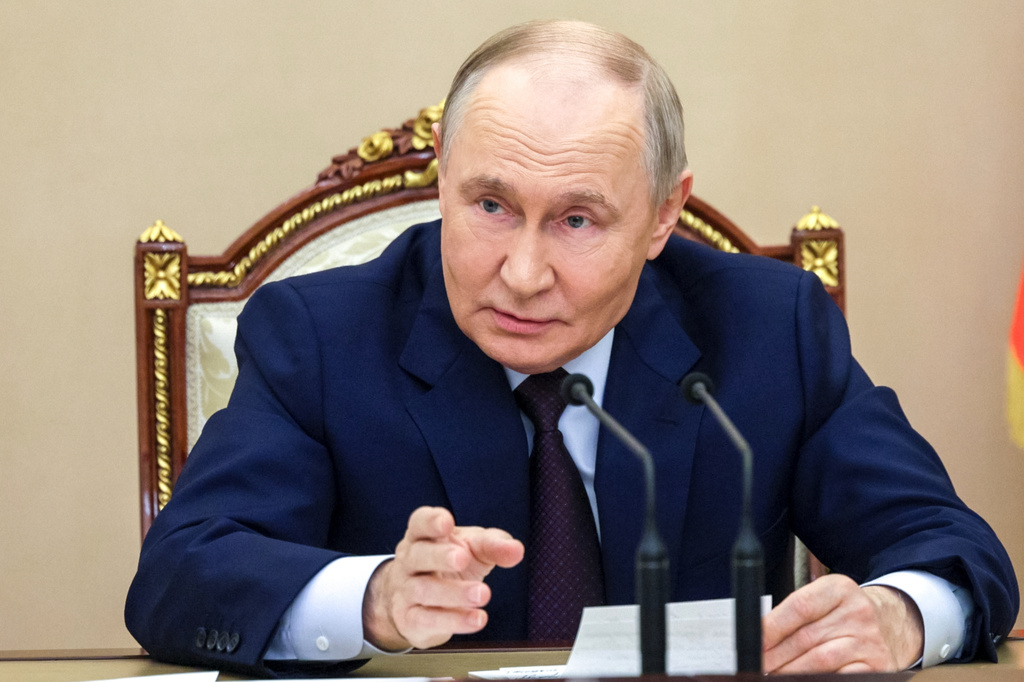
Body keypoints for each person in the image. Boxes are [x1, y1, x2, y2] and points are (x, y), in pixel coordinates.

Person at [125, 19, 1018, 677]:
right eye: (489, 206)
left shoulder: (767, 327)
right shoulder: (318, 336)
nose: (520, 272)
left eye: (578, 220)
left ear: (665, 212)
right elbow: (178, 576)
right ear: (443, 174)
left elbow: (951, 547)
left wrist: (900, 617)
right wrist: (373, 599)